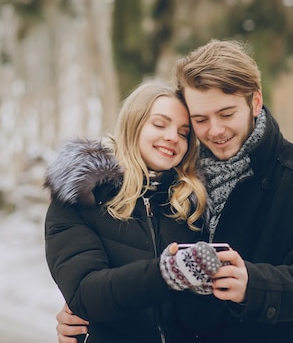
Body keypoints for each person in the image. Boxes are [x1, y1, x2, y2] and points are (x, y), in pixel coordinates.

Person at [55, 39, 293, 343]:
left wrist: (255, 285)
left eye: (226, 114)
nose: (215, 130)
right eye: (199, 120)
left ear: (255, 101)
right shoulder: (179, 182)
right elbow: (146, 269)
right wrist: (86, 317)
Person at [44, 82, 225, 343]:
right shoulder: (80, 197)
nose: (173, 137)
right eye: (160, 124)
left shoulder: (191, 205)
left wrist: (203, 293)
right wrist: (165, 274)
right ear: (133, 124)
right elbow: (85, 295)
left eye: (184, 133)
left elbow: (203, 322)